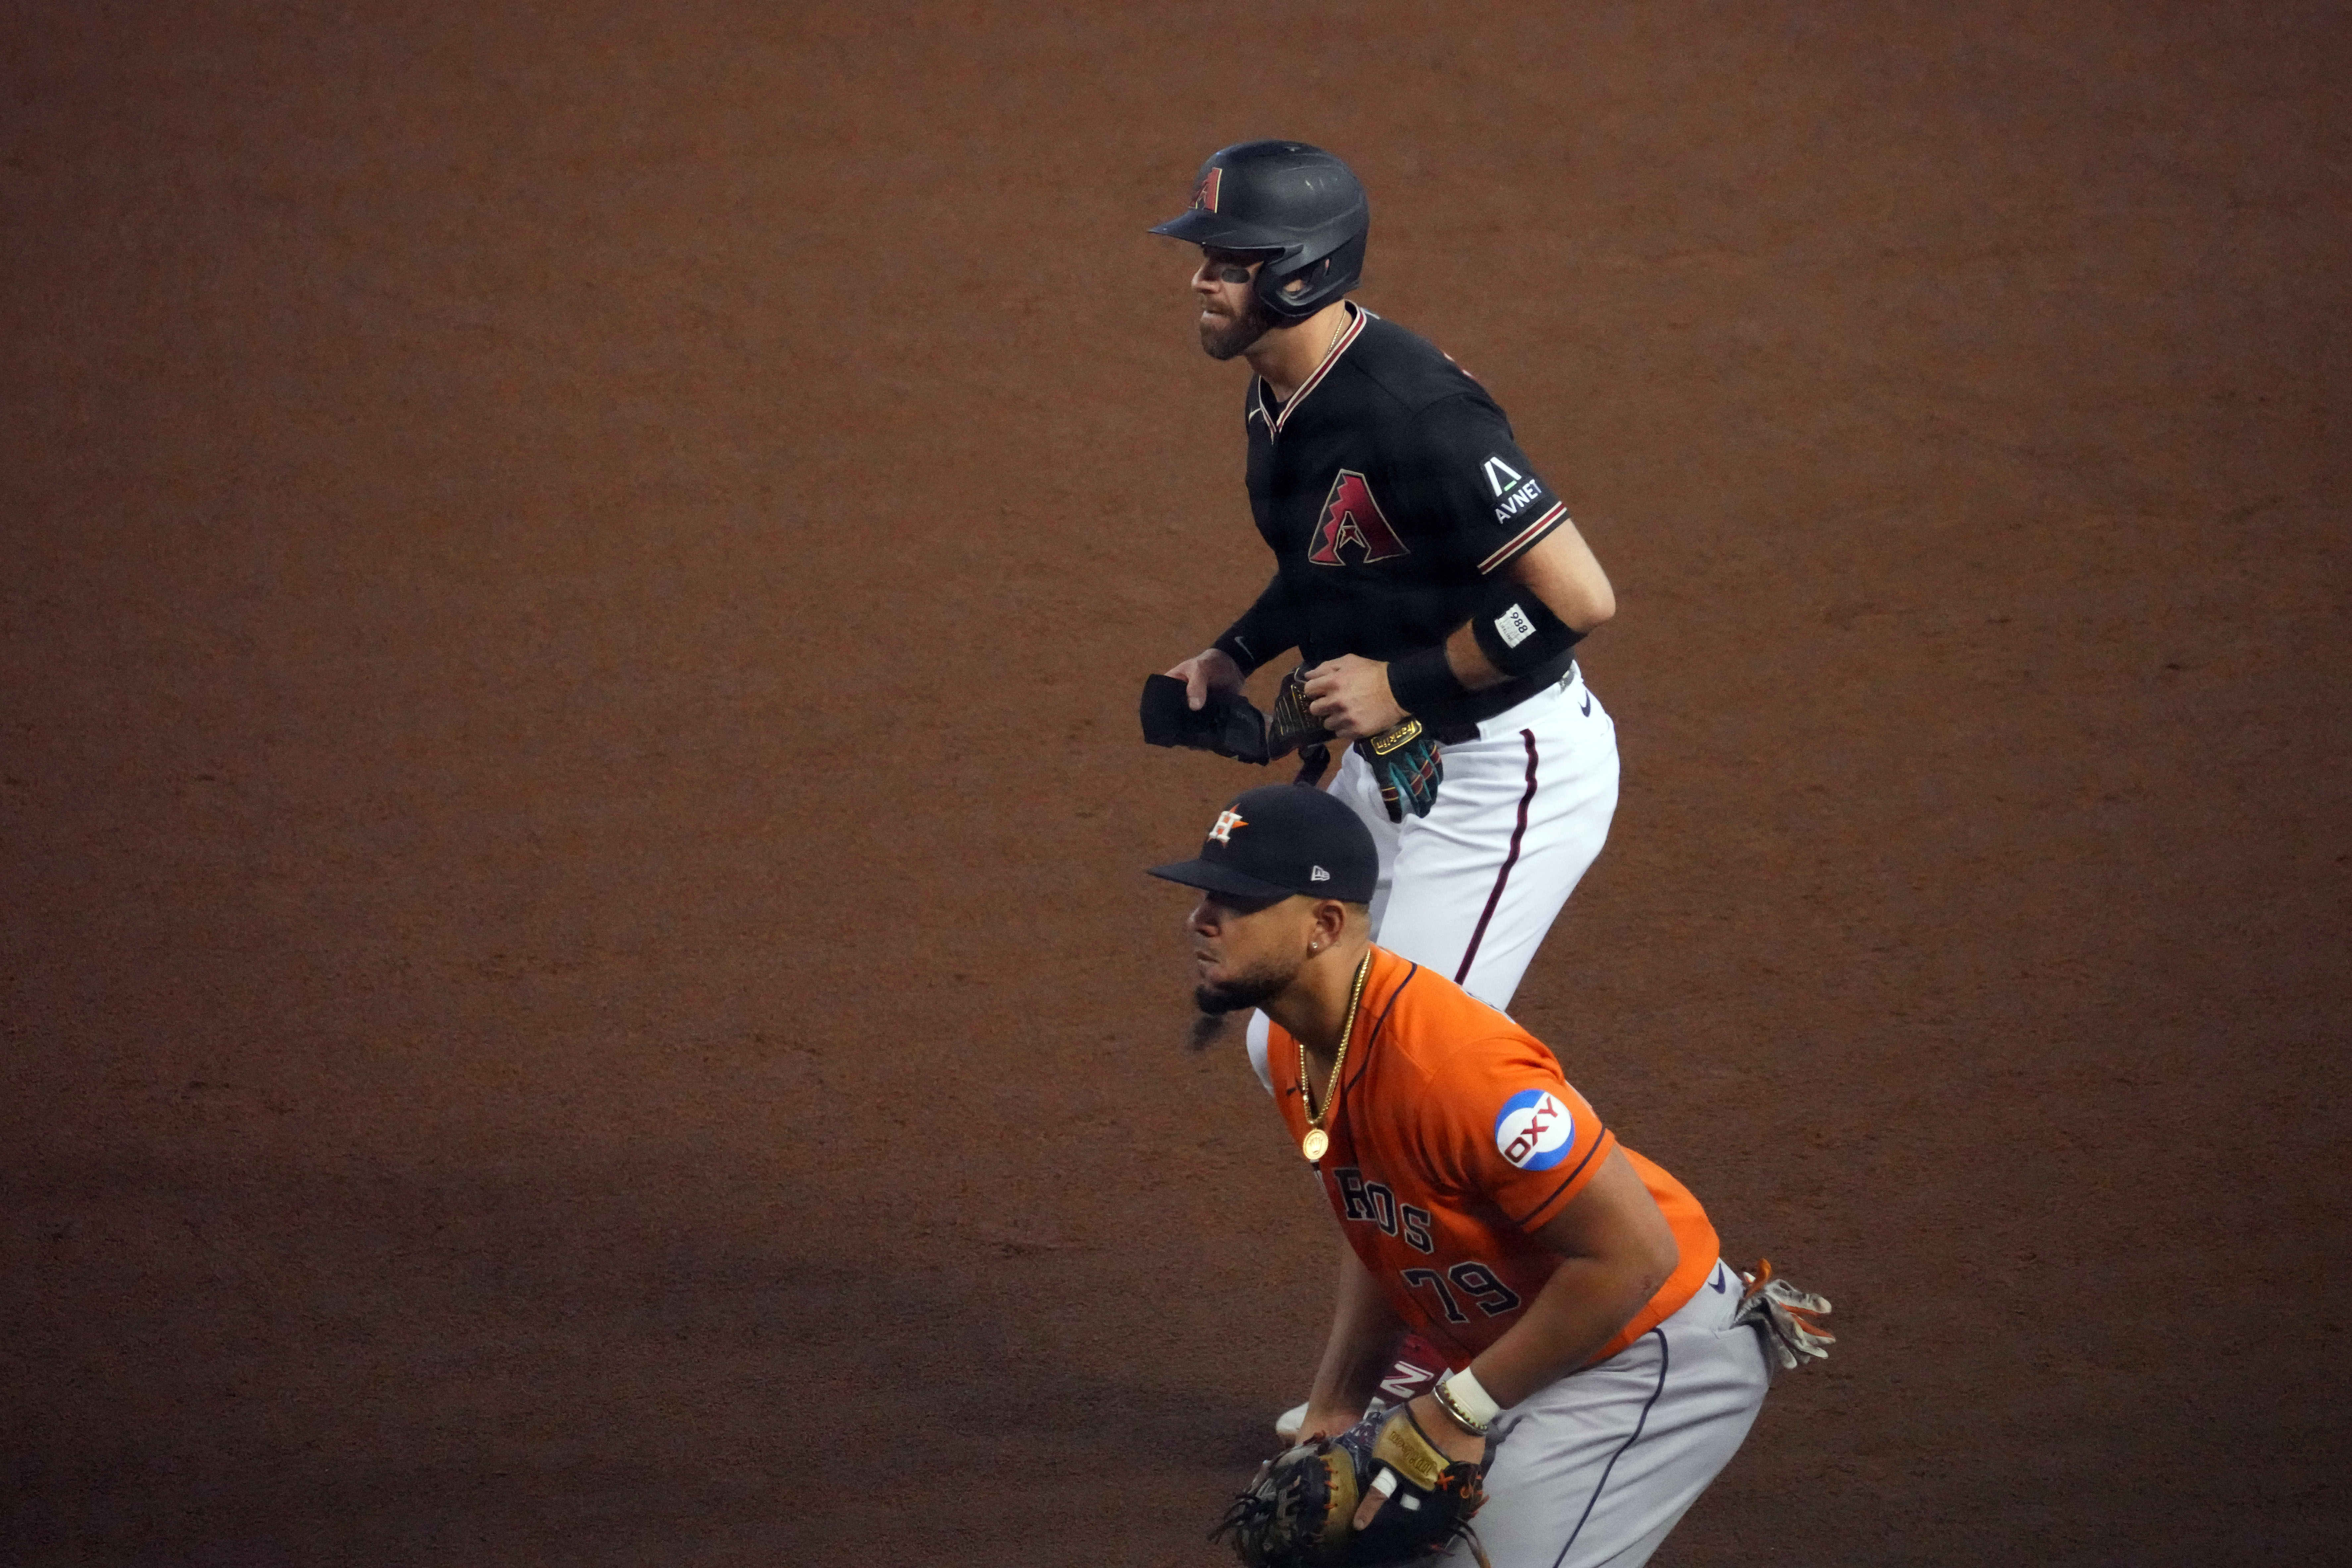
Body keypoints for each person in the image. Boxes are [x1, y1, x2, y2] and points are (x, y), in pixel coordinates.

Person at [1150, 786, 1828, 1567]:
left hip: (1646, 1351)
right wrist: (1336, 1405)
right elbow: (1382, 1226)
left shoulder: (1458, 1071)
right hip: (1527, 1347)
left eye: (1236, 902)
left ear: (1324, 926)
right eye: (1206, 895)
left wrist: (1453, 1409)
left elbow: (1634, 1256)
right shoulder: (1289, 1047)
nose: (1201, 920)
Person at [1150, 139, 1620, 1016]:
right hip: (1395, 757)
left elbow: (1577, 598)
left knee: (1402, 1051)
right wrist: (1233, 651)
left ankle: (1554, 1154)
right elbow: (1334, 558)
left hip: (1504, 770)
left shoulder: (1418, 416)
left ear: (1300, 272)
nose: (1200, 280)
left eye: (1229, 263)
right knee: (1286, 1033)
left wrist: (1398, 682)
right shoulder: (1278, 396)